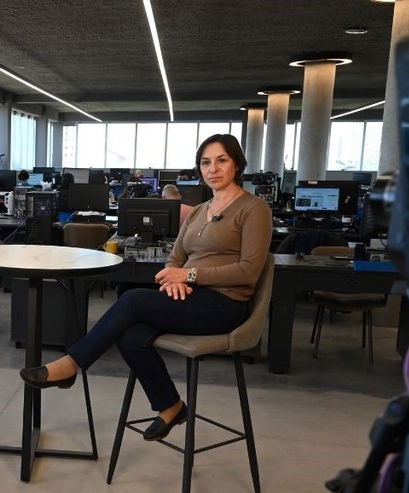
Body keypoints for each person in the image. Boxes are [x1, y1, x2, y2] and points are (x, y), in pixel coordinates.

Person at [20, 134, 271, 442]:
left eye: (222, 160)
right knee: (131, 336)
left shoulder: (254, 209)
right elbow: (175, 257)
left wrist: (189, 277)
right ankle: (171, 406)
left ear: (237, 164)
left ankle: (72, 364)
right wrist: (172, 276)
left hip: (227, 304)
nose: (213, 168)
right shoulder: (197, 210)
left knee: (133, 299)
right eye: (206, 162)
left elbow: (248, 272)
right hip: (193, 297)